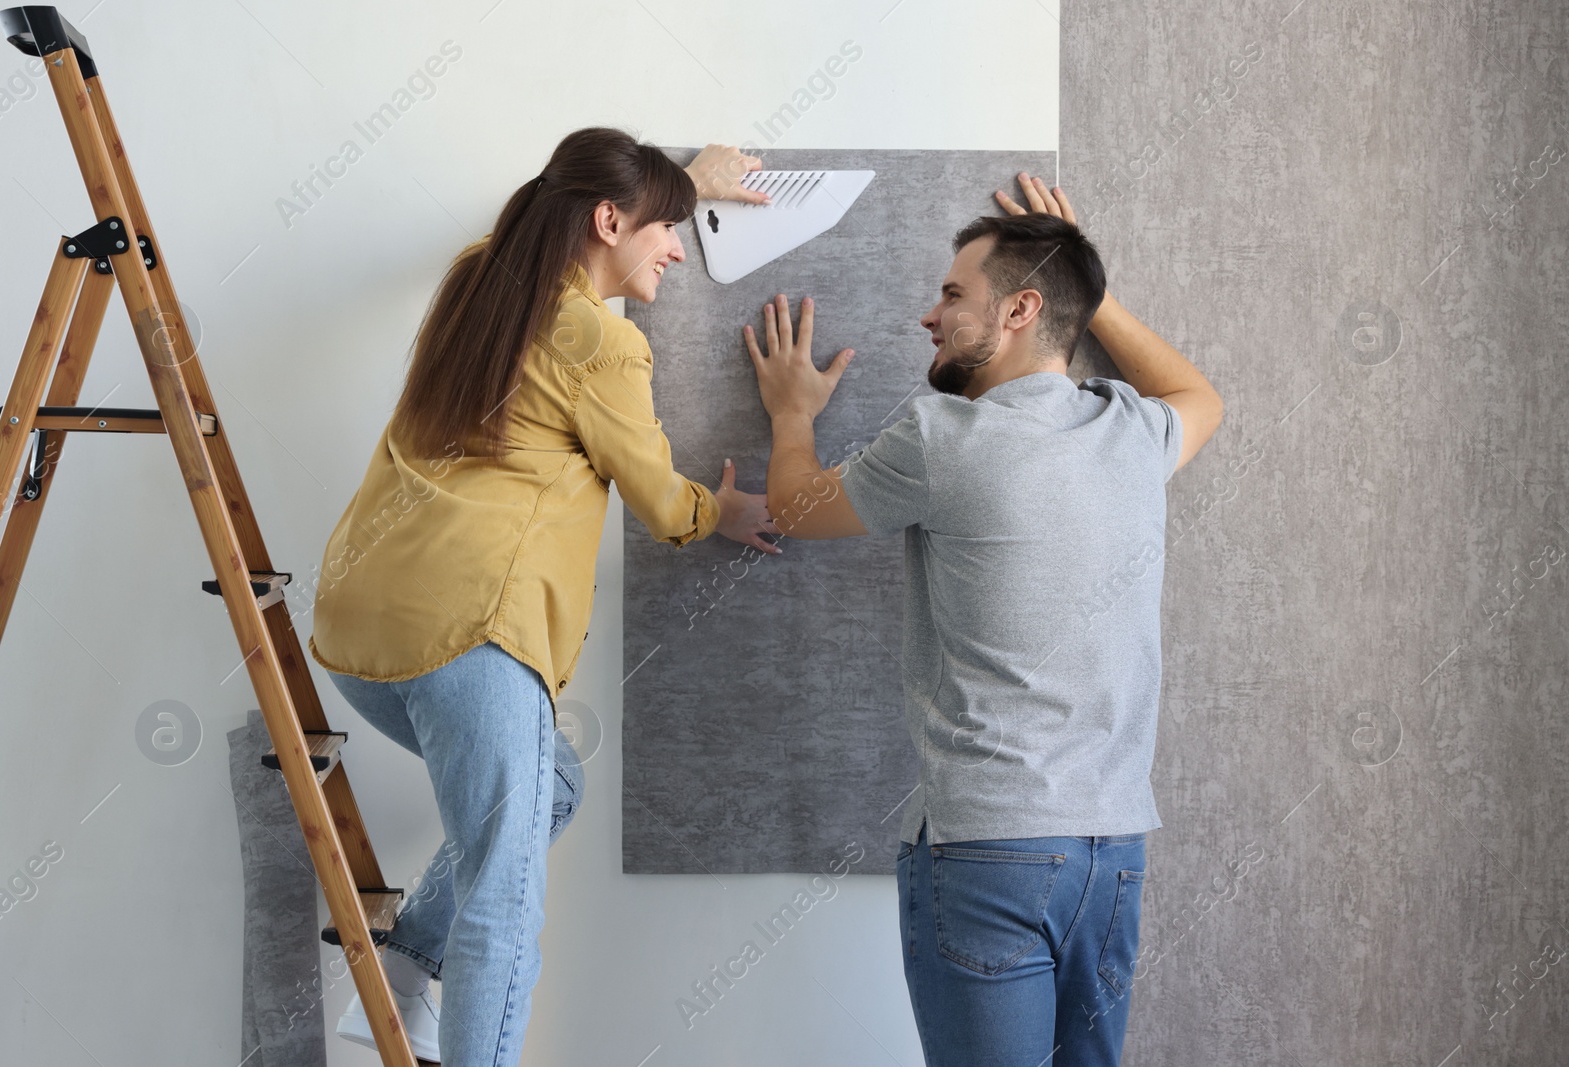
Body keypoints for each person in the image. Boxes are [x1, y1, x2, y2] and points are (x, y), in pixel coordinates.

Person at [306, 128, 781, 1066]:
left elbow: (566, 218)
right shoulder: (605, 343)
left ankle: (403, 973)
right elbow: (655, 499)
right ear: (609, 221)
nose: (679, 248)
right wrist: (715, 508)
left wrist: (675, 184)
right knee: (504, 900)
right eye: (667, 231)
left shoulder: (478, 279)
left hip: (361, 631)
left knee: (553, 785)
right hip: (474, 634)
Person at [741, 173, 1223, 1066]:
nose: (930, 315)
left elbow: (797, 508)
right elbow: (1203, 397)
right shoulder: (1132, 432)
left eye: (953, 294)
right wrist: (1090, 298)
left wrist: (791, 413)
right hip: (1111, 853)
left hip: (987, 852)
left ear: (1019, 310)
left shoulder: (941, 438)